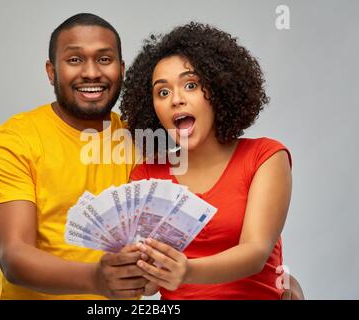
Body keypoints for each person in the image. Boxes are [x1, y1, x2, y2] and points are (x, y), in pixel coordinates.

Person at [120, 22, 300, 299]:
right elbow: (151, 282)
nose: (176, 100)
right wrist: (137, 275)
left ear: (218, 89)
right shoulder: (146, 176)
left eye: (190, 85)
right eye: (163, 92)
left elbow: (255, 252)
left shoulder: (265, 157)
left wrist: (187, 270)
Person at [0, 13, 151, 300]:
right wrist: (97, 278)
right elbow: (13, 255)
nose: (92, 72)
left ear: (121, 69)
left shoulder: (140, 140)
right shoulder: (14, 141)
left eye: (104, 59)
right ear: (51, 72)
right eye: (74, 60)